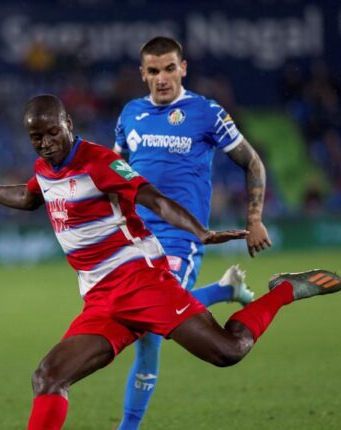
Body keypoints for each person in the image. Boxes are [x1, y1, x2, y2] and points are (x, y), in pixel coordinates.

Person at [0, 94, 341, 430]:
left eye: (53, 132)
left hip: (139, 280)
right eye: (37, 137)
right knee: (48, 378)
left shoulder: (99, 162)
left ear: (68, 123)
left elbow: (152, 199)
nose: (47, 143)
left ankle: (285, 291)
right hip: (100, 298)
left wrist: (199, 231)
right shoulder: (45, 168)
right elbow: (29, 196)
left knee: (228, 351)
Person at [112, 36, 273, 429]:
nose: (162, 78)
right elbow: (113, 172)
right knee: (141, 321)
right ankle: (223, 290)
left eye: (170, 68)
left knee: (151, 325)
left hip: (179, 239)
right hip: (132, 238)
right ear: (143, 74)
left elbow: (253, 163)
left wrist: (254, 219)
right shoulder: (130, 114)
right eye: (153, 70)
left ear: (183, 68)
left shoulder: (206, 112)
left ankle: (127, 429)